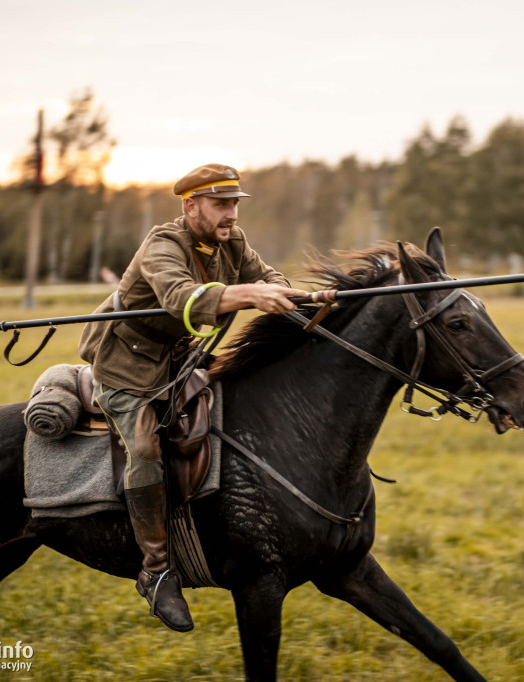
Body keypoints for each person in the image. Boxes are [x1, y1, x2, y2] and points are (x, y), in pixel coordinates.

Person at [78, 164, 308, 632]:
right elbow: (185, 298)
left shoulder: (232, 240)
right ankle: (157, 571)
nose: (231, 215)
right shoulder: (161, 245)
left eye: (235, 204)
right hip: (127, 363)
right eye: (222, 205)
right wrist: (252, 295)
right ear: (191, 206)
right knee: (144, 448)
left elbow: (269, 276)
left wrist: (296, 295)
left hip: (181, 359)